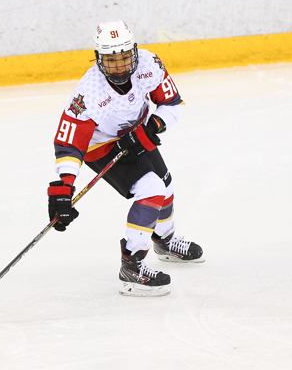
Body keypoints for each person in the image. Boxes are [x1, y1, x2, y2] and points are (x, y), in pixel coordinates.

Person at [47, 20, 203, 297]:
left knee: (165, 187)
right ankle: (132, 266)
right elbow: (69, 143)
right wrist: (65, 185)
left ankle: (165, 241)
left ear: (134, 51)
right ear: (98, 58)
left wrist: (152, 126)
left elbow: (171, 103)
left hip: (138, 135)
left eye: (123, 58)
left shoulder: (149, 63)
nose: (119, 67)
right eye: (111, 61)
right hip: (102, 146)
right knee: (151, 190)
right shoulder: (89, 92)